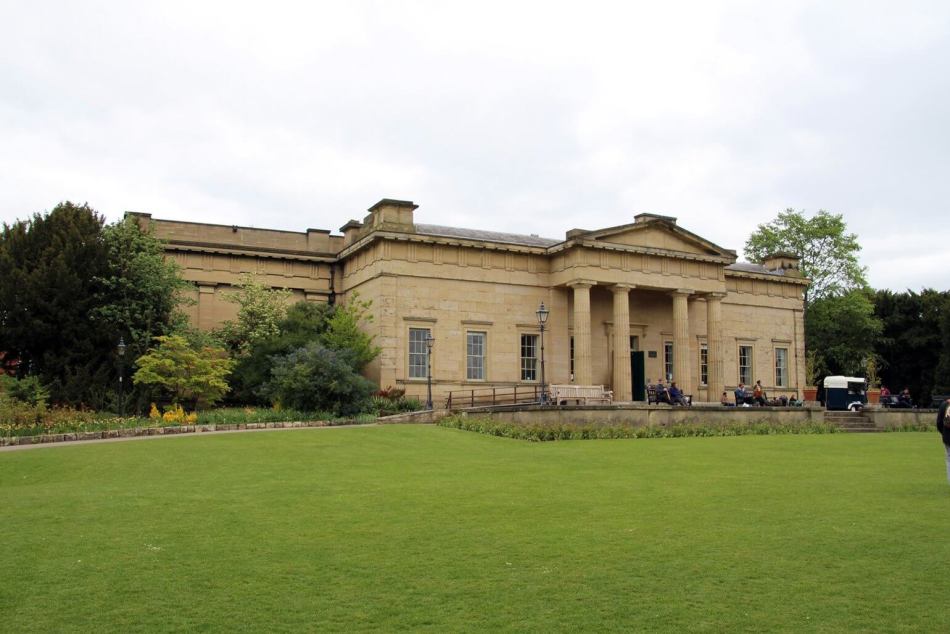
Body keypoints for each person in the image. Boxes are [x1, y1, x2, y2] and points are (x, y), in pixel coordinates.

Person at [937, 398, 950, 485]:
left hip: (948, 437)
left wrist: (944, 433)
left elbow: (939, 423)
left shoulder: (944, 405)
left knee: (949, 459)